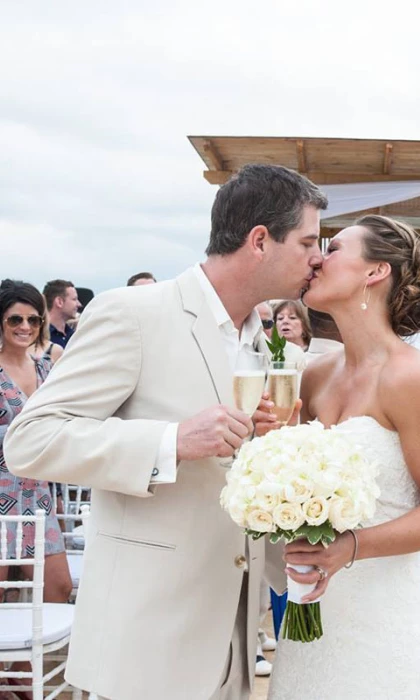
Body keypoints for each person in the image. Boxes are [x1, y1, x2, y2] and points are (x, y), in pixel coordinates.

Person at [5, 164, 329, 700]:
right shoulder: (133, 315)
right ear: (259, 242)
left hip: (231, 645)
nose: (318, 257)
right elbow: (30, 439)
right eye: (309, 242)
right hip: (144, 645)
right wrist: (169, 442)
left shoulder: (266, 346)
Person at [268, 214, 420, 699]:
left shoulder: (411, 377)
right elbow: (291, 480)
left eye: (334, 248)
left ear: (375, 271)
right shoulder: (316, 373)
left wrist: (348, 549)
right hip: (312, 613)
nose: (318, 257)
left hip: (382, 616)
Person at [0, 281, 72, 600]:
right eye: (15, 319)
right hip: (2, 497)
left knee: (58, 589)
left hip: (38, 497)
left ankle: (33, 654)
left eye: (33, 319)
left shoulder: (45, 369)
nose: (25, 326)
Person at [43, 279, 82, 348]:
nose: (79, 304)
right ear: (59, 302)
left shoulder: (74, 336)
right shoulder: (39, 336)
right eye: (74, 299)